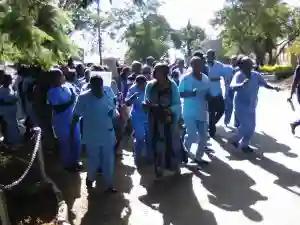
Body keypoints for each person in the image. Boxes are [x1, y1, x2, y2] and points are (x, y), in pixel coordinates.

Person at [71, 75, 117, 192]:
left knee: (108, 159)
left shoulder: (109, 94)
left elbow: (114, 112)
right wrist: (72, 131)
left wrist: (117, 123)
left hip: (107, 132)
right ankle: (90, 178)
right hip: (91, 134)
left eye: (99, 86)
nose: (97, 89)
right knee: (93, 159)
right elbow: (76, 115)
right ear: (90, 86)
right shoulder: (83, 97)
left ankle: (109, 184)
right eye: (94, 86)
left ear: (102, 85)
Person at [229, 57, 280, 152]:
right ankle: (234, 140)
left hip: (252, 104)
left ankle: (245, 145)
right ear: (242, 65)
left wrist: (274, 87)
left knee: (252, 127)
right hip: (240, 104)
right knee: (245, 125)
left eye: (250, 63)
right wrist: (241, 85)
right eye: (247, 64)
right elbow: (232, 87)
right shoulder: (239, 75)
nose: (250, 65)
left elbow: (264, 84)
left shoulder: (256, 75)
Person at [144, 63, 182, 178]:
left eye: (158, 71)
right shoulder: (150, 85)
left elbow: (177, 103)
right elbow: (146, 100)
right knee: (156, 143)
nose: (155, 73)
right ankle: (158, 167)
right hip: (154, 119)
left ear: (165, 73)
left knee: (171, 142)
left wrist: (167, 109)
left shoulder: (172, 86)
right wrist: (148, 106)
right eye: (154, 70)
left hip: (168, 119)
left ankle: (173, 166)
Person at [47, 69, 82, 171]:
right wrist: (71, 101)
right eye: (61, 75)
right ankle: (68, 165)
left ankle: (75, 161)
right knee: (65, 142)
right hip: (61, 120)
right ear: (55, 78)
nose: (63, 77)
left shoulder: (67, 87)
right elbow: (57, 108)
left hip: (73, 118)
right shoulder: (51, 92)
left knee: (76, 140)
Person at [179, 57, 210, 164]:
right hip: (189, 111)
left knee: (204, 136)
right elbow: (180, 93)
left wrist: (210, 97)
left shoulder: (205, 78)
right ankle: (184, 155)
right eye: (195, 65)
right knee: (192, 135)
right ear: (191, 66)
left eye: (200, 64)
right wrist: (192, 93)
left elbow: (208, 93)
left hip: (202, 111)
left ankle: (198, 157)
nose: (198, 66)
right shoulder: (186, 78)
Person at [125, 75, 148, 166]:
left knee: (149, 137)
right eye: (139, 85)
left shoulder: (149, 87)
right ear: (136, 83)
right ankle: (138, 157)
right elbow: (127, 102)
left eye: (143, 84)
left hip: (149, 115)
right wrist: (133, 97)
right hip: (137, 115)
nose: (142, 87)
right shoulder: (132, 89)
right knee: (140, 137)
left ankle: (148, 156)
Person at [206, 49, 226, 137]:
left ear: (214, 56)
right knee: (211, 112)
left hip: (218, 91)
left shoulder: (219, 65)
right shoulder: (204, 65)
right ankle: (212, 130)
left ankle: (211, 124)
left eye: (211, 55)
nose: (209, 57)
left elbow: (224, 75)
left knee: (221, 110)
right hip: (208, 92)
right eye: (208, 55)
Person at [0, 74, 21, 145]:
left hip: (12, 112)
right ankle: (9, 141)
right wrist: (10, 102)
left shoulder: (10, 88)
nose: (11, 81)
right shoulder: (1, 90)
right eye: (10, 79)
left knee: (13, 127)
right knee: (9, 127)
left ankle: (13, 141)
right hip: (5, 112)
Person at [224, 56, 237, 126]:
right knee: (228, 108)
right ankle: (226, 121)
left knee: (237, 108)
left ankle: (236, 123)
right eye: (233, 60)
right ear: (231, 61)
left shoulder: (239, 69)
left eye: (235, 60)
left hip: (236, 92)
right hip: (228, 91)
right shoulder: (227, 69)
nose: (234, 61)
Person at [288, 60, 300, 134]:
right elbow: (295, 82)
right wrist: (291, 95)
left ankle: (294, 124)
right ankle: (294, 124)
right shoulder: (299, 69)